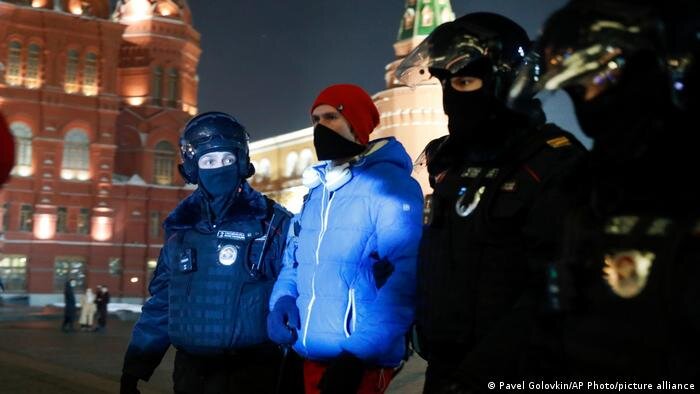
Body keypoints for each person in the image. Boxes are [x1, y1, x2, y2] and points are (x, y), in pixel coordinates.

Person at [507, 0, 700, 382]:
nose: (588, 102)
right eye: (576, 89)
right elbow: (548, 315)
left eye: (598, 81)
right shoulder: (581, 186)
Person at [395, 12, 587, 392]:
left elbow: (554, 294)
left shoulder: (551, 164)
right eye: (444, 84)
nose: (451, 98)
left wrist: (484, 370)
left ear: (506, 84)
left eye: (465, 81)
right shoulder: (450, 166)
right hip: (443, 370)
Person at [120, 112, 302, 394]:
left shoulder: (272, 224)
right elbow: (162, 303)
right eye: (209, 161)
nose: (219, 168)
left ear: (241, 161)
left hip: (255, 375)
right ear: (194, 168)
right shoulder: (181, 228)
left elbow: (297, 290)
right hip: (192, 376)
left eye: (227, 159)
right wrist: (136, 367)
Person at [267, 84, 423, 394]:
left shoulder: (391, 187)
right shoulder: (317, 191)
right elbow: (293, 261)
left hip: (358, 366)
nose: (320, 128)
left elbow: (404, 280)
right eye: (315, 120)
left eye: (330, 117)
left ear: (357, 124)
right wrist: (282, 300)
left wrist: (357, 356)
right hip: (305, 356)